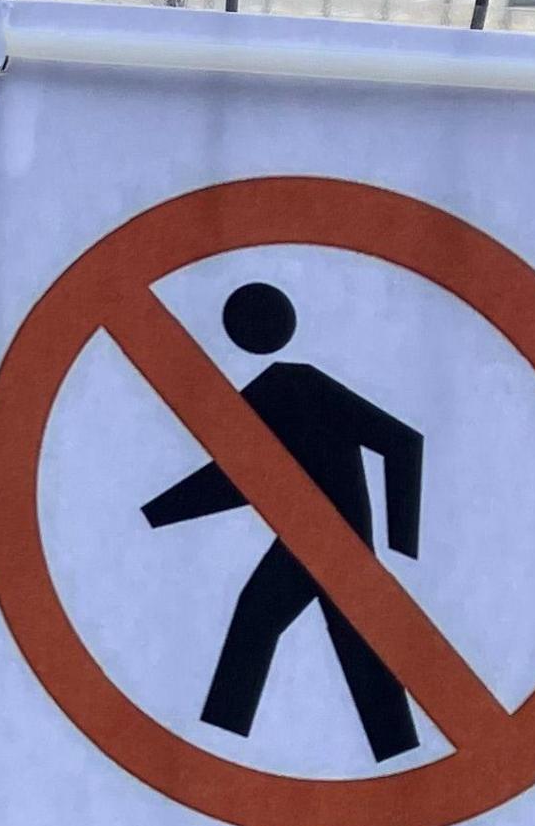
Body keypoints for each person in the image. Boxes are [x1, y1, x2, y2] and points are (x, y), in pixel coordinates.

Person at [140, 281, 428, 760]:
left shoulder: (295, 387)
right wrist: (159, 514)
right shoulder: (271, 394)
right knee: (295, 626)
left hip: (337, 547)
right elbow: (240, 478)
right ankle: (399, 755)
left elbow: (401, 442)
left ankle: (219, 743)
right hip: (318, 544)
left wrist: (404, 542)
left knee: (265, 619)